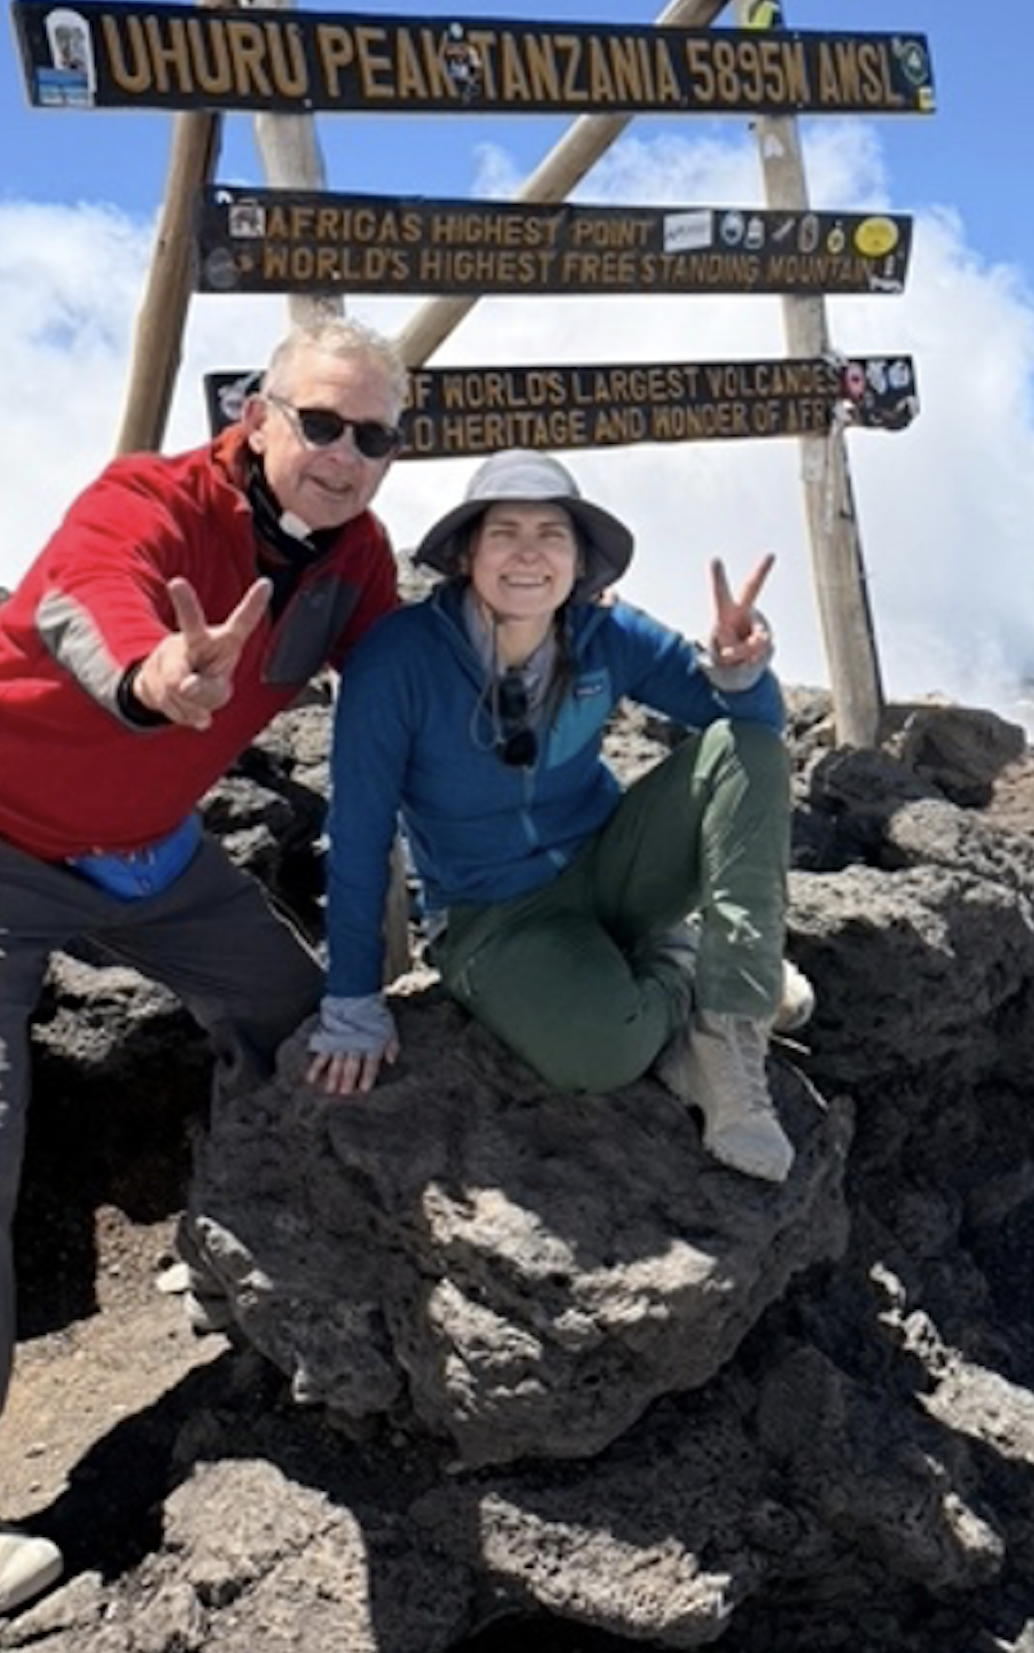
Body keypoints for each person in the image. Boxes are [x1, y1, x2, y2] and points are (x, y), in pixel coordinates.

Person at [0, 315, 408, 1625]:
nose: (341, 454)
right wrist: (157, 675)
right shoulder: (145, 496)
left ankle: (242, 1257)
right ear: (258, 414)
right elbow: (90, 600)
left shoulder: (357, 561)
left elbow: (402, 690)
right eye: (319, 422)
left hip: (143, 849)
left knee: (300, 1020)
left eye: (373, 435)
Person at [306, 448, 811, 1182]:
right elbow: (357, 833)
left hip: (612, 863)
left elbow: (753, 737)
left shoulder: (608, 632)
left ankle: (731, 1026)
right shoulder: (397, 659)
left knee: (745, 750)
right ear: (467, 551)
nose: (528, 553)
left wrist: (739, 674)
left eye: (553, 533)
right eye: (504, 531)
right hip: (494, 914)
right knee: (601, 1055)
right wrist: (352, 998)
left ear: (580, 561)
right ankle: (683, 964)